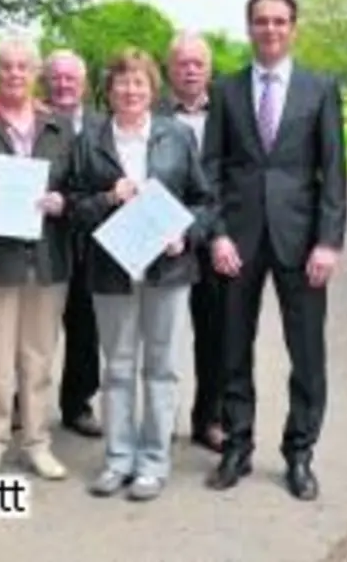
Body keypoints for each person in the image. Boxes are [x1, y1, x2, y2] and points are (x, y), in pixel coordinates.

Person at [203, 0, 347, 502]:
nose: (270, 29)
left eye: (280, 21)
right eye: (261, 21)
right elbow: (211, 170)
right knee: (231, 348)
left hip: (301, 239)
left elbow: (333, 172)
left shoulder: (319, 88)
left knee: (307, 353)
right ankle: (236, 446)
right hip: (237, 242)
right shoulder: (226, 90)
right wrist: (216, 233)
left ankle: (300, 453)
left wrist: (328, 242)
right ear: (249, 28)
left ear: (293, 27)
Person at [66, 48, 219, 502]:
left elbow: (205, 202)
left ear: (153, 90)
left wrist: (184, 233)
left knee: (161, 366)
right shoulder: (90, 141)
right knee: (117, 367)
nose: (130, 91)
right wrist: (109, 198)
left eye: (139, 83)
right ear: (108, 91)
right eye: (121, 83)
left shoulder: (175, 137)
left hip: (167, 269)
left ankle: (153, 461)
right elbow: (73, 207)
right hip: (111, 269)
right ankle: (117, 459)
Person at [0, 36, 77, 480]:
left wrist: (63, 202)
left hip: (46, 259)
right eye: (6, 66)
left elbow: (76, 186)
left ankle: (37, 441)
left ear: (35, 73)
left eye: (23, 66)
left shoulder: (59, 126)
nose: (14, 74)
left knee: (39, 356)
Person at [160, 30, 225, 452]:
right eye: (182, 63)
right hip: (164, 237)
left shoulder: (230, 112)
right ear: (170, 69)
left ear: (209, 70)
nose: (190, 70)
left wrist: (217, 232)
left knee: (216, 333)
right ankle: (159, 421)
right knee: (159, 334)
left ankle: (209, 418)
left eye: (198, 63)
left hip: (215, 234)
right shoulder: (151, 112)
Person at [43, 49, 104, 439]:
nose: (64, 85)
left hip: (90, 241)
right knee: (34, 328)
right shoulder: (31, 122)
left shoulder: (104, 126)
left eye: (71, 79)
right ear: (45, 81)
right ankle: (20, 402)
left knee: (86, 328)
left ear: (84, 84)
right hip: (42, 237)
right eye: (57, 78)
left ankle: (77, 404)